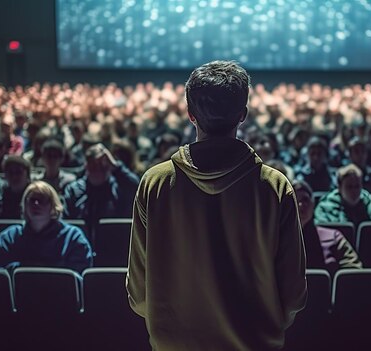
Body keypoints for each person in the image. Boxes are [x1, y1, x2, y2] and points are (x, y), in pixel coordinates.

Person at [126, 61, 307, 350]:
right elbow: (294, 291)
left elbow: (138, 291)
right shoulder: (274, 187)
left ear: (190, 115)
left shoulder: (155, 183)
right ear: (243, 115)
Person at [0, 181, 93, 273]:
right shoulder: (9, 238)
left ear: (53, 206)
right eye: (32, 200)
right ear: (25, 205)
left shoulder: (72, 237)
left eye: (42, 200)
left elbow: (79, 275)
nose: (36, 204)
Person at [63, 143, 139, 238]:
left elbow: (136, 187)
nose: (98, 169)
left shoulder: (118, 188)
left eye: (102, 166)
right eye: (93, 165)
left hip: (113, 242)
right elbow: (66, 222)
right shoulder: (74, 190)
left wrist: (115, 165)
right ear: (86, 166)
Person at [293, 180, 362, 273]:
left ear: (313, 204)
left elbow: (353, 270)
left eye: (305, 200)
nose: (300, 205)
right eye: (294, 200)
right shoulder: (276, 239)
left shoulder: (334, 237)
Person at [315, 164, 371, 228]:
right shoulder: (325, 209)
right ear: (339, 187)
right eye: (349, 187)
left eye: (357, 186)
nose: (354, 191)